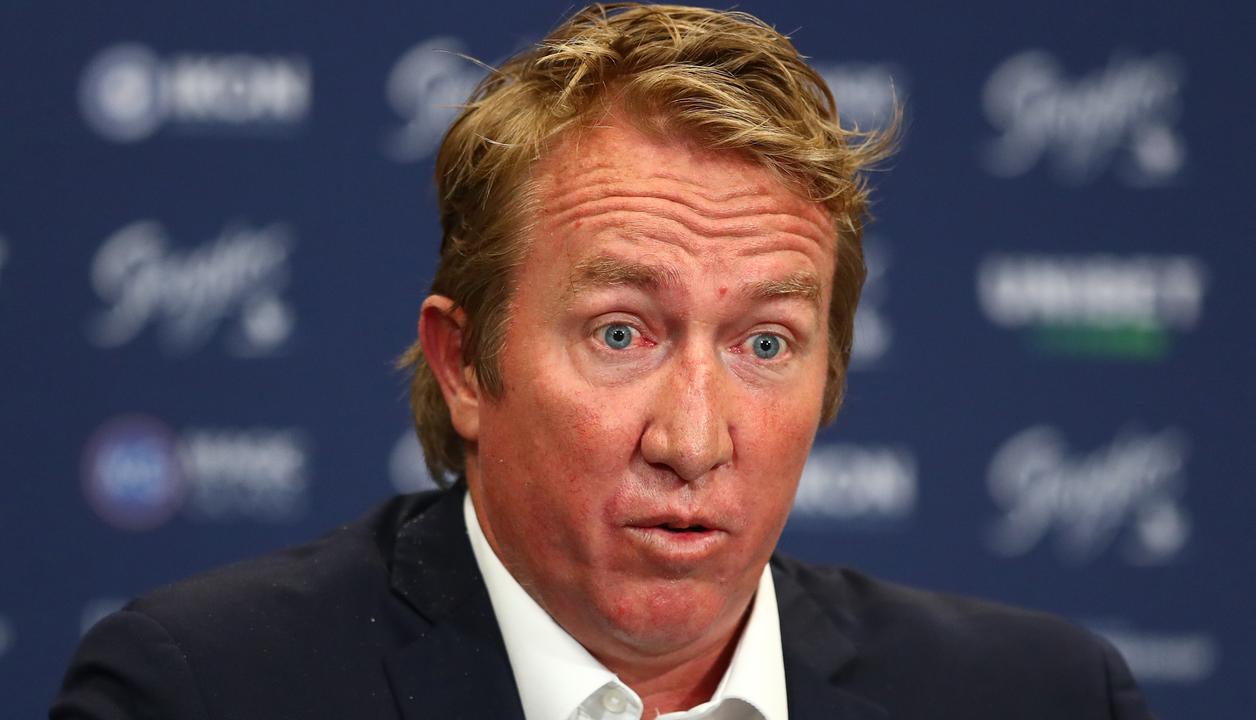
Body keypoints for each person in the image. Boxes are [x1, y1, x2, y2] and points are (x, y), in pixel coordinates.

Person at [52, 4, 1153, 719]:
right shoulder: (199, 693)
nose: (691, 440)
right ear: (465, 363)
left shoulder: (1041, 699)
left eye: (764, 343)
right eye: (622, 332)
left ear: (829, 378)